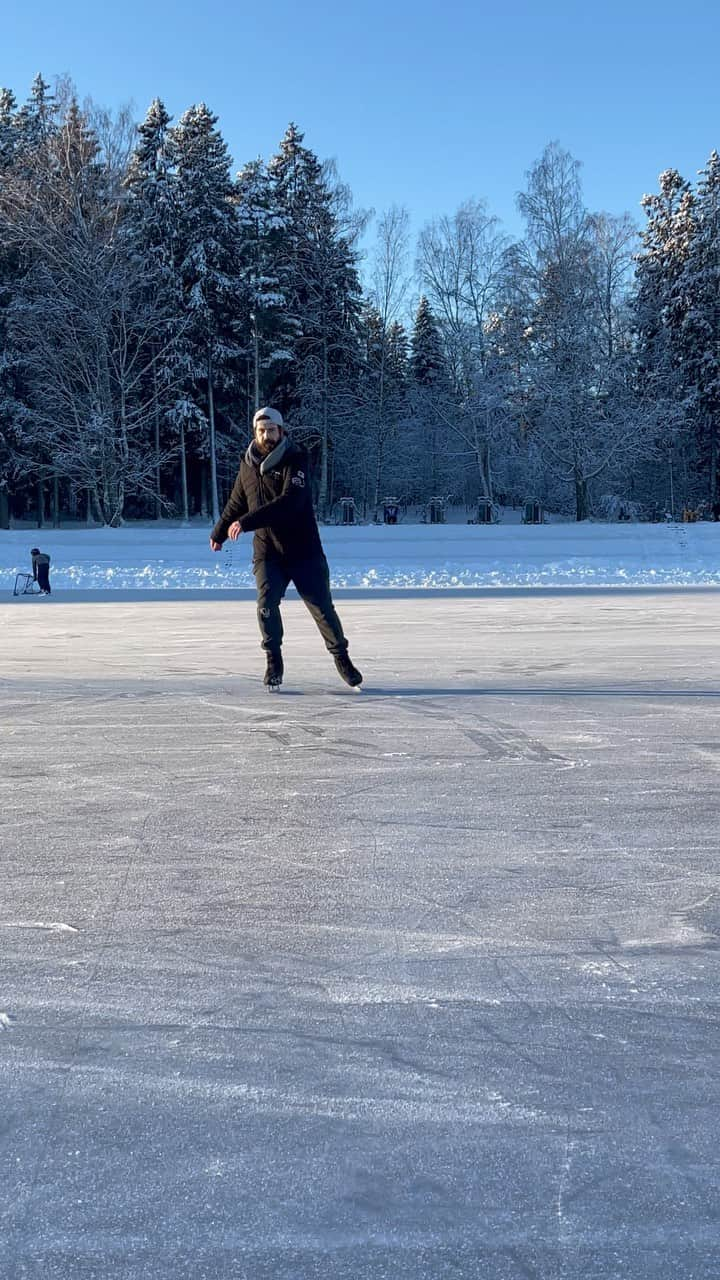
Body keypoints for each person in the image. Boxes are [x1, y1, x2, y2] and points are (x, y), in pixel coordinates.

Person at [209, 407, 362, 690]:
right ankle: (273, 661)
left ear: (281, 431)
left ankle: (341, 657)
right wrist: (219, 532)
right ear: (255, 433)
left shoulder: (295, 460)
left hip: (304, 551)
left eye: (271, 430)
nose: (266, 435)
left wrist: (246, 522)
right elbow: (237, 501)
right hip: (268, 552)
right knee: (266, 605)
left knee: (322, 609)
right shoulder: (247, 464)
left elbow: (290, 502)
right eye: (261, 430)